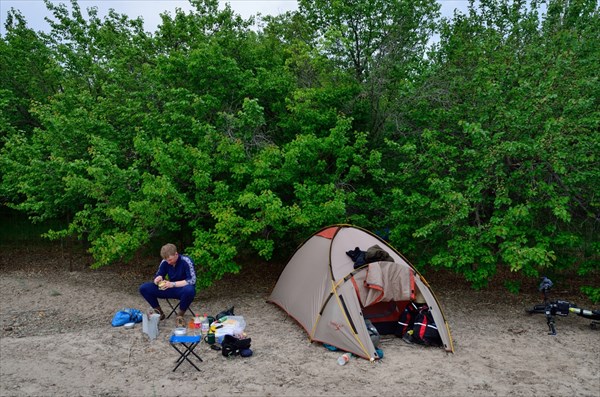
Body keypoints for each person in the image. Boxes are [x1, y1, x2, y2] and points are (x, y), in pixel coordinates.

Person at [139, 243, 196, 327]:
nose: (168, 262)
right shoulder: (165, 262)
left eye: (170, 260)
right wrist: (157, 280)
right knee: (144, 288)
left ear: (176, 254)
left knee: (190, 290)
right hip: (168, 288)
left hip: (182, 289)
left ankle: (179, 316)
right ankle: (159, 313)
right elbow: (158, 274)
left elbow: (192, 280)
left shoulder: (186, 261)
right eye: (167, 260)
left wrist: (172, 284)